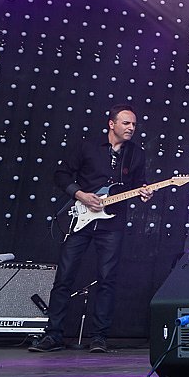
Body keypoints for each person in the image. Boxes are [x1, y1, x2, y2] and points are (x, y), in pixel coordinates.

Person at [30, 104, 152, 353]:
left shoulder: (136, 154)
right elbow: (61, 174)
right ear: (112, 124)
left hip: (112, 223)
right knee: (64, 277)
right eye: (126, 123)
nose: (131, 128)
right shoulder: (88, 147)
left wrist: (144, 192)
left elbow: (138, 184)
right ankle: (53, 335)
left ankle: (99, 337)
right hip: (80, 219)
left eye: (134, 124)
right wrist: (81, 195)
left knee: (107, 280)